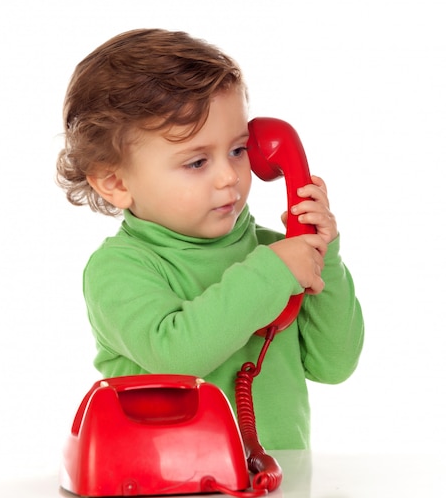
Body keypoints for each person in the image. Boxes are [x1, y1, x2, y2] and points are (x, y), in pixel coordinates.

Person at [56, 28, 364, 450]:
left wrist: (320, 253)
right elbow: (178, 357)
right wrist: (274, 271)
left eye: (238, 150)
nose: (229, 177)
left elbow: (334, 363)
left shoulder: (278, 254)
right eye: (197, 161)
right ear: (115, 182)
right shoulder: (120, 268)